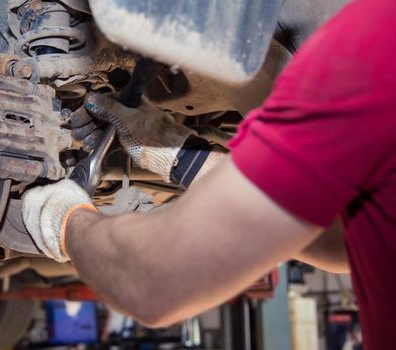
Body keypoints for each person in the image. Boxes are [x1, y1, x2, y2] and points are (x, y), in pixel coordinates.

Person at [22, 0, 396, 348]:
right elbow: (346, 242)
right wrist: (178, 154)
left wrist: (62, 220)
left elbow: (151, 280)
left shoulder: (378, 50)